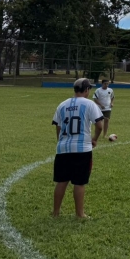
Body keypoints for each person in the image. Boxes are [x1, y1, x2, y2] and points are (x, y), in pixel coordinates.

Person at [51, 78, 104, 219]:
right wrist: (94, 139)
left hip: (63, 148)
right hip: (82, 149)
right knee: (79, 183)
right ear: (86, 90)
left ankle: (55, 212)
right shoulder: (89, 104)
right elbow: (99, 125)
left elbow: (58, 126)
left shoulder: (62, 105)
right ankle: (80, 214)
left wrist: (60, 142)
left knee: (61, 181)